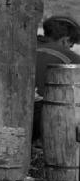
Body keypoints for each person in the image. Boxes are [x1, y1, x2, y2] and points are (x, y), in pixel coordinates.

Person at [33, 15, 80, 143]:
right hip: (45, 123)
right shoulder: (71, 59)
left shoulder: (25, 47)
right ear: (65, 40)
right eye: (71, 45)